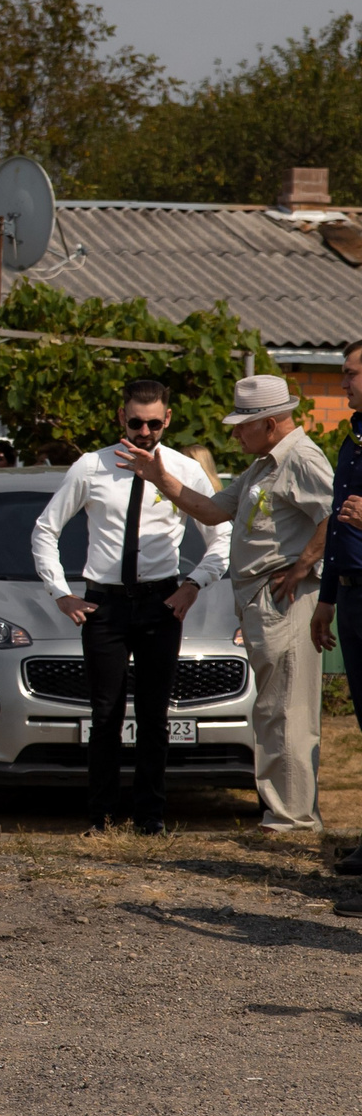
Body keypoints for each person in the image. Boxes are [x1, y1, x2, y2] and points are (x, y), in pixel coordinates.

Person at [126, 376, 331, 835]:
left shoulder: (300, 458)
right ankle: (282, 814)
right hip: (261, 600)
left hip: (284, 600)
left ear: (270, 424)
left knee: (286, 710)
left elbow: (334, 515)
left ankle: (293, 821)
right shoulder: (263, 465)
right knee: (272, 709)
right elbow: (213, 510)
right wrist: (160, 477)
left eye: (243, 425)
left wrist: (302, 566)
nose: (235, 433)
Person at [30, 378, 227, 835]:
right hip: (106, 604)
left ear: (167, 419)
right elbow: (45, 529)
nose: (144, 432)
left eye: (154, 424)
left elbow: (222, 535)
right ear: (122, 417)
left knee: (155, 715)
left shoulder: (183, 470)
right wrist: (60, 591)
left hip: (161, 602)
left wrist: (194, 584)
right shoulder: (92, 466)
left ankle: (150, 817)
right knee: (105, 714)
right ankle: (100, 817)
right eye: (136, 422)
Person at [310, 343, 362, 871]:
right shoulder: (353, 439)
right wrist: (326, 598)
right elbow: (337, 527)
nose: (343, 384)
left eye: (350, 374)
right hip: (349, 592)